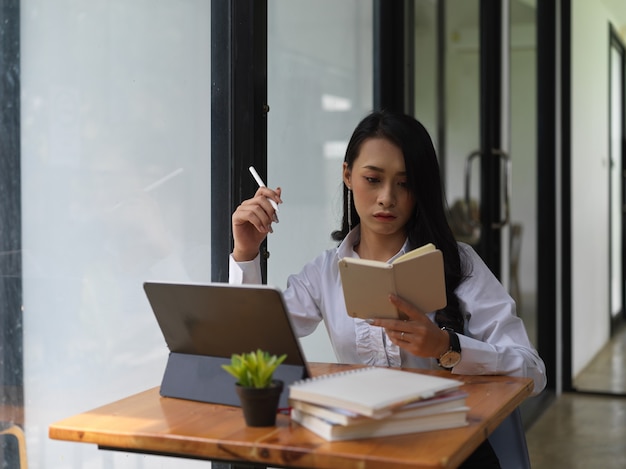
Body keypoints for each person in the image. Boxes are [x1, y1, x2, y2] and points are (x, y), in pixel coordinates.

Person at [230, 110, 546, 468]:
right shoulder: (325, 273)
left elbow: (532, 371)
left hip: (448, 452)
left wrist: (448, 348)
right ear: (348, 175)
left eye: (404, 183)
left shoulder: (458, 264)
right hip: (359, 451)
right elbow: (248, 348)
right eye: (373, 178)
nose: (386, 198)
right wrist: (246, 252)